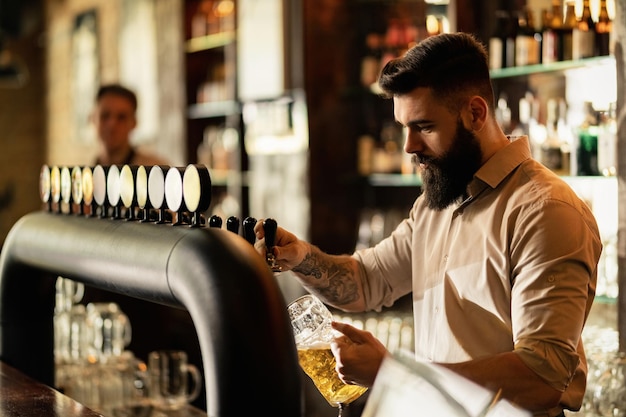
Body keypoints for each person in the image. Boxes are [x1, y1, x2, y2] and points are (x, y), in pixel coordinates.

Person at [254, 32, 601, 417]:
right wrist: (301, 257)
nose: (409, 146)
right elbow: (365, 282)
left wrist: (393, 372)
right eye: (404, 126)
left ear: (475, 113)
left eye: (424, 126)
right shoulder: (436, 206)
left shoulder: (545, 210)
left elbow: (542, 380)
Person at [91, 83, 167, 166]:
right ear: (93, 119)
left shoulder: (154, 170)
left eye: (121, 117)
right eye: (105, 115)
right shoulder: (83, 172)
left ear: (134, 122)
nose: (112, 124)